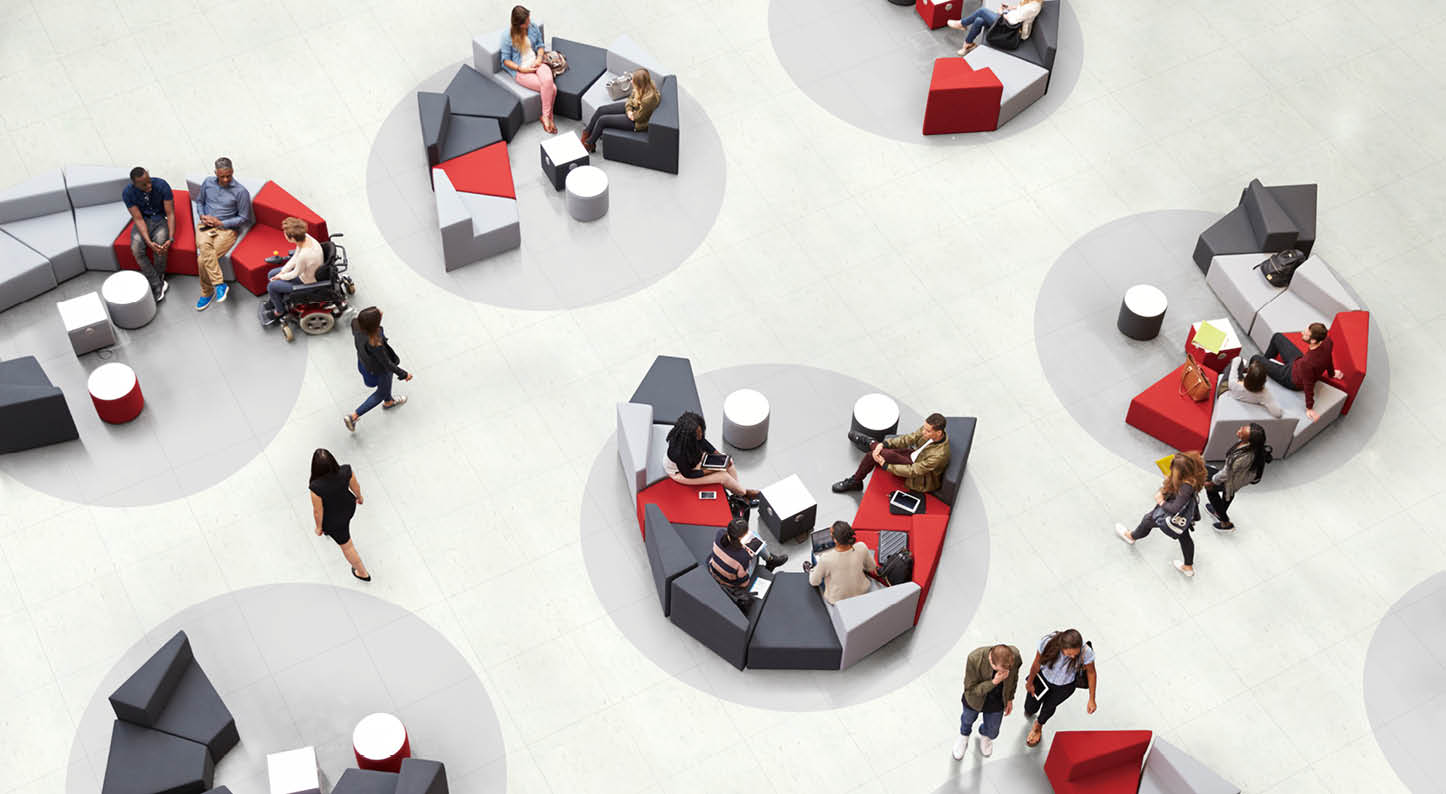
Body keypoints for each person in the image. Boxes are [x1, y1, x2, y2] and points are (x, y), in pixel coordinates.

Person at [1116, 451, 1207, 577]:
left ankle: (1131, 536)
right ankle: (1188, 567)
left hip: (1170, 515)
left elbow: (1174, 508)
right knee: (1185, 537)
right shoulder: (1193, 478)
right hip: (1184, 518)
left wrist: (1161, 501)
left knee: (1147, 520)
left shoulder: (1185, 488)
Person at [832, 413, 951, 494]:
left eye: (927, 431)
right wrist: (884, 444)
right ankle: (873, 443)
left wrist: (886, 466)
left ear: (939, 432)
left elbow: (914, 471)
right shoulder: (928, 430)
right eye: (924, 428)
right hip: (913, 454)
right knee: (879, 451)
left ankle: (870, 444)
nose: (923, 431)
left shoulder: (939, 455)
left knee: (878, 455)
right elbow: (908, 439)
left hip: (919, 476)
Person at [1251, 323, 1344, 422]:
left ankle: (1257, 370)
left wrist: (1309, 408)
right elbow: (1328, 359)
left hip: (1290, 378)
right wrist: (1332, 373)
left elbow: (1308, 385)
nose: (1302, 332)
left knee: (1255, 358)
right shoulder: (1327, 342)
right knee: (1277, 337)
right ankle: (1265, 364)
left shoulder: (1307, 363)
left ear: (1313, 340)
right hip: (1297, 362)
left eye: (1305, 333)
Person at [194, 156, 252, 311]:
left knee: (201, 260)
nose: (226, 179)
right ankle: (219, 284)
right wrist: (202, 215)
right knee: (203, 245)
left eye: (229, 175)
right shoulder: (207, 182)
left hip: (226, 230)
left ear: (232, 172)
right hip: (205, 225)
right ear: (215, 173)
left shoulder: (241, 192)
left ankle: (207, 292)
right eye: (222, 176)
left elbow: (244, 217)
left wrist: (221, 223)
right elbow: (200, 202)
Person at [664, 411, 760, 505]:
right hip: (681, 473)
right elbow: (688, 474)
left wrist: (720, 457)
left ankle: (738, 492)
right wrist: (714, 469)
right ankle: (744, 493)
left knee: (727, 461)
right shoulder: (678, 452)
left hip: (694, 460)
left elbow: (704, 443)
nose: (701, 435)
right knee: (723, 477)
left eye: (701, 431)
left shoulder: (692, 439)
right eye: (698, 434)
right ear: (689, 436)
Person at [1022, 629, 1096, 748]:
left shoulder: (1086, 652)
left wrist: (1091, 699)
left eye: (1075, 654)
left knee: (1049, 707)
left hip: (1064, 686)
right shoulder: (1047, 642)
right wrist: (1030, 682)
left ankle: (1038, 726)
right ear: (1062, 647)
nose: (1073, 657)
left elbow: (1091, 673)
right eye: (1069, 654)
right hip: (1043, 679)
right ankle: (1031, 711)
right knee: (1030, 706)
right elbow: (1036, 663)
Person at [344, 307, 411, 432]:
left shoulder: (356, 325)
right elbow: (387, 364)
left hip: (364, 364)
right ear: (374, 325)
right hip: (380, 370)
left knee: (385, 388)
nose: (381, 312)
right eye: (378, 314)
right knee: (381, 393)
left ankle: (389, 401)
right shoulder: (375, 343)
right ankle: (353, 417)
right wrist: (404, 374)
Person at [309, 449, 371, 581]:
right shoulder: (346, 471)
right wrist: (359, 497)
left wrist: (319, 528)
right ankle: (328, 532)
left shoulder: (315, 487)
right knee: (343, 532)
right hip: (348, 507)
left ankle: (362, 573)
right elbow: (355, 486)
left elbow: (318, 511)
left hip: (333, 521)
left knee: (347, 546)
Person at [954, 643, 1022, 759]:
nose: (1005, 673)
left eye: (1007, 670)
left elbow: (1014, 678)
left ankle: (985, 735)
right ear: (991, 660)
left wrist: (1010, 698)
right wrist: (994, 682)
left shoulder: (1014, 656)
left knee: (993, 730)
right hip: (975, 700)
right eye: (1001, 670)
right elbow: (970, 689)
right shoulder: (974, 659)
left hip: (997, 700)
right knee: (967, 719)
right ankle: (964, 735)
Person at [499, 6, 557, 133]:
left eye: (529, 18)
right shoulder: (507, 36)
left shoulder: (533, 27)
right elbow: (505, 60)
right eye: (526, 21)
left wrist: (539, 58)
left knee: (547, 81)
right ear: (519, 24)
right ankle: (549, 118)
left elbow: (540, 46)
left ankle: (545, 117)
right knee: (552, 88)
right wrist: (521, 69)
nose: (529, 22)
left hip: (537, 63)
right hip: (522, 71)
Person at [121, 167, 175, 302]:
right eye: (144, 184)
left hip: (161, 219)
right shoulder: (128, 193)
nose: (149, 185)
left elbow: (170, 213)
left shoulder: (162, 185)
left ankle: (158, 279)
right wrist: (148, 242)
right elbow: (138, 219)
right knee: (136, 248)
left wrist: (171, 237)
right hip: (144, 220)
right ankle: (157, 284)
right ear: (135, 184)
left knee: (161, 246)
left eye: (149, 181)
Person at [1205, 423, 1271, 533]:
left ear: (1249, 439)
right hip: (1238, 477)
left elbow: (1227, 473)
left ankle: (1226, 523)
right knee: (1228, 493)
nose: (1240, 429)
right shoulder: (1247, 445)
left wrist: (1212, 482)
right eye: (1243, 428)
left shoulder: (1245, 456)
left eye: (1243, 431)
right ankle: (1218, 512)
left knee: (1211, 490)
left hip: (1234, 479)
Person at [708, 517, 787, 607]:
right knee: (756, 542)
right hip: (730, 582)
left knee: (754, 536)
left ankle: (770, 559)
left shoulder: (720, 533)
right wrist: (750, 556)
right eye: (746, 534)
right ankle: (770, 560)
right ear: (740, 538)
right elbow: (744, 583)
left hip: (714, 570)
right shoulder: (743, 557)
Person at [580, 69, 661, 154]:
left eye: (633, 81)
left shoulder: (649, 99)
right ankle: (586, 132)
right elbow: (630, 99)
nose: (631, 82)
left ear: (640, 84)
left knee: (602, 120)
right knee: (601, 110)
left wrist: (630, 113)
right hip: (632, 109)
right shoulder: (641, 87)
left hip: (637, 123)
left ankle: (589, 144)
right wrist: (629, 110)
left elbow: (638, 118)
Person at [803, 521, 878, 604]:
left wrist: (813, 572)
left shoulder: (826, 558)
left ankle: (811, 570)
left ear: (835, 540)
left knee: (814, 554)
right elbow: (872, 567)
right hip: (863, 590)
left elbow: (814, 582)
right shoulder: (861, 546)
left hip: (838, 600)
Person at [265, 217, 324, 320]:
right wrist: (282, 272)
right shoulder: (306, 237)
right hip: (306, 272)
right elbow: (295, 257)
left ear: (292, 238)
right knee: (271, 274)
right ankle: (277, 299)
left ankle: (279, 311)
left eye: (285, 233)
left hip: (307, 282)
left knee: (271, 286)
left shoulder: (305, 255)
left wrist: (281, 277)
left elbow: (294, 274)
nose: (284, 234)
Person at [946, 0, 1044, 56]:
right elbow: (1020, 11)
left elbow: (1013, 21)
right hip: (1009, 22)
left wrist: (1002, 12)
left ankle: (962, 24)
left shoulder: (1034, 6)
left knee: (982, 12)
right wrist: (1009, 8)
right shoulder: (1030, 1)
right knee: (979, 20)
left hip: (1013, 30)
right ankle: (968, 44)